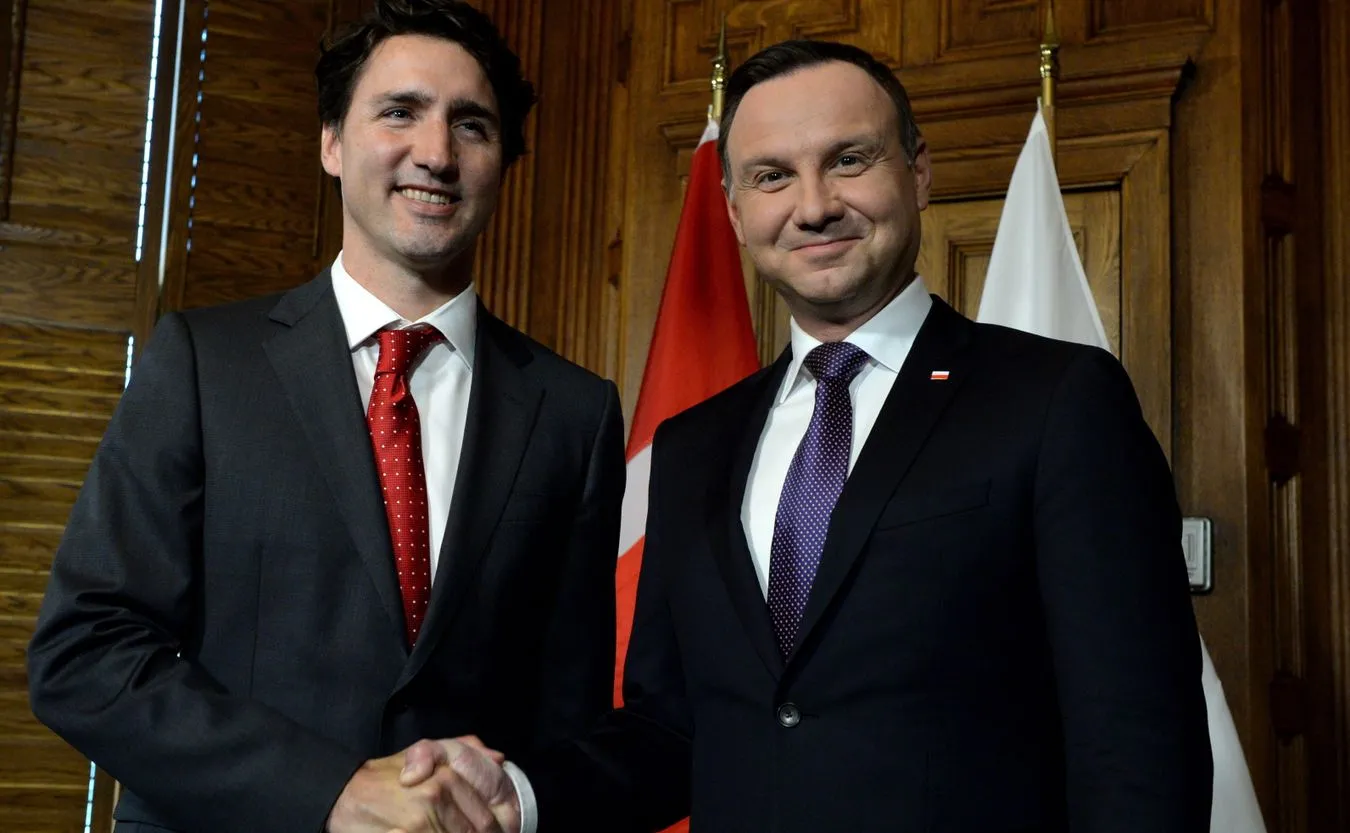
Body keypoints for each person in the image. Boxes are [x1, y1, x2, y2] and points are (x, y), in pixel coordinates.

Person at [404, 38, 1213, 833]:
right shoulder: (694, 447)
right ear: (734, 210)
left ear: (919, 171)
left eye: (850, 160)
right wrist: (521, 793)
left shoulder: (1058, 399)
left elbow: (1138, 741)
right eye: (772, 176)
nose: (815, 204)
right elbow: (673, 732)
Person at [25, 2, 623, 832]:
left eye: (472, 125)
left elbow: (572, 720)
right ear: (332, 143)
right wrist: (329, 789)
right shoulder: (203, 364)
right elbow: (83, 655)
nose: (436, 153)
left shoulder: (574, 412)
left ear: (504, 163)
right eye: (400, 112)